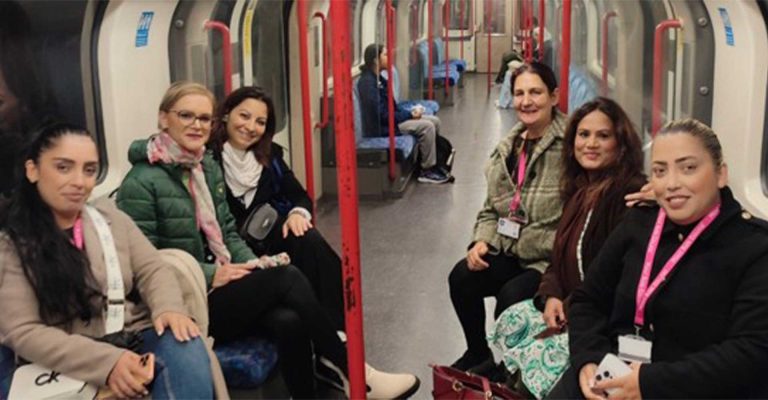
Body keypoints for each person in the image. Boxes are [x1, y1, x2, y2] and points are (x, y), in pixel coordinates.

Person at [116, 81, 420, 399]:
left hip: (218, 284)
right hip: (183, 302)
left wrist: (253, 264)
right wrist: (212, 273)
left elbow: (227, 232)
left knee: (289, 319)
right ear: (164, 118)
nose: (197, 125)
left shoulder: (203, 167)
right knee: (288, 278)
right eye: (186, 116)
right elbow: (143, 265)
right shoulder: (141, 183)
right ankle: (355, 373)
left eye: (204, 118)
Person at [548, 118, 768, 399]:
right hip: (612, 372)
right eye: (660, 171)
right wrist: (589, 359)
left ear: (721, 174)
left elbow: (751, 351)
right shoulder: (638, 223)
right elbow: (588, 299)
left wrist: (647, 384)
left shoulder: (754, 247)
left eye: (688, 168)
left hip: (689, 389)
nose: (672, 184)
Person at [0, 122, 213, 399]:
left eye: (89, 170)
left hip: (129, 332)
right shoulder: (12, 243)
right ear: (33, 170)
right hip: (64, 352)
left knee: (186, 344)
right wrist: (108, 363)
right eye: (63, 167)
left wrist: (168, 308)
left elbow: (152, 269)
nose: (79, 181)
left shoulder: (112, 219)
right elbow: (23, 331)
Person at [488, 97, 646, 398]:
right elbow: (558, 255)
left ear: (621, 145)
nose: (591, 144)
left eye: (603, 136)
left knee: (535, 352)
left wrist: (571, 306)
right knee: (511, 318)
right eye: (583, 135)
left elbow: (615, 279)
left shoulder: (629, 195)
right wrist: (551, 295)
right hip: (570, 305)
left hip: (599, 318)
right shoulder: (580, 189)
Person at [448, 61, 568, 374]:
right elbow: (491, 207)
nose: (526, 101)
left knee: (510, 298)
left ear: (554, 96)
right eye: (519, 93)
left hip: (548, 258)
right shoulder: (509, 148)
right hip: (511, 247)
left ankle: (515, 372)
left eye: (535, 92)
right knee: (461, 278)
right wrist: (481, 241)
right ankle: (479, 354)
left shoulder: (571, 147)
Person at [208, 86, 344, 331]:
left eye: (260, 122)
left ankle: (338, 325)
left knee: (307, 237)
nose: (251, 127)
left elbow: (299, 196)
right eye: (244, 116)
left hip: (268, 240)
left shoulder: (270, 157)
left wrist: (297, 214)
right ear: (227, 114)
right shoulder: (207, 160)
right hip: (229, 249)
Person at [357, 43, 450, 184]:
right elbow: (382, 116)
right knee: (427, 127)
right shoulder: (367, 84)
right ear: (376, 60)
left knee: (435, 121)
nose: (389, 57)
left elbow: (392, 108)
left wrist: (410, 113)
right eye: (385, 55)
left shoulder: (379, 79)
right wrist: (410, 115)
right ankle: (426, 170)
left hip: (392, 120)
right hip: (383, 127)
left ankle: (431, 161)